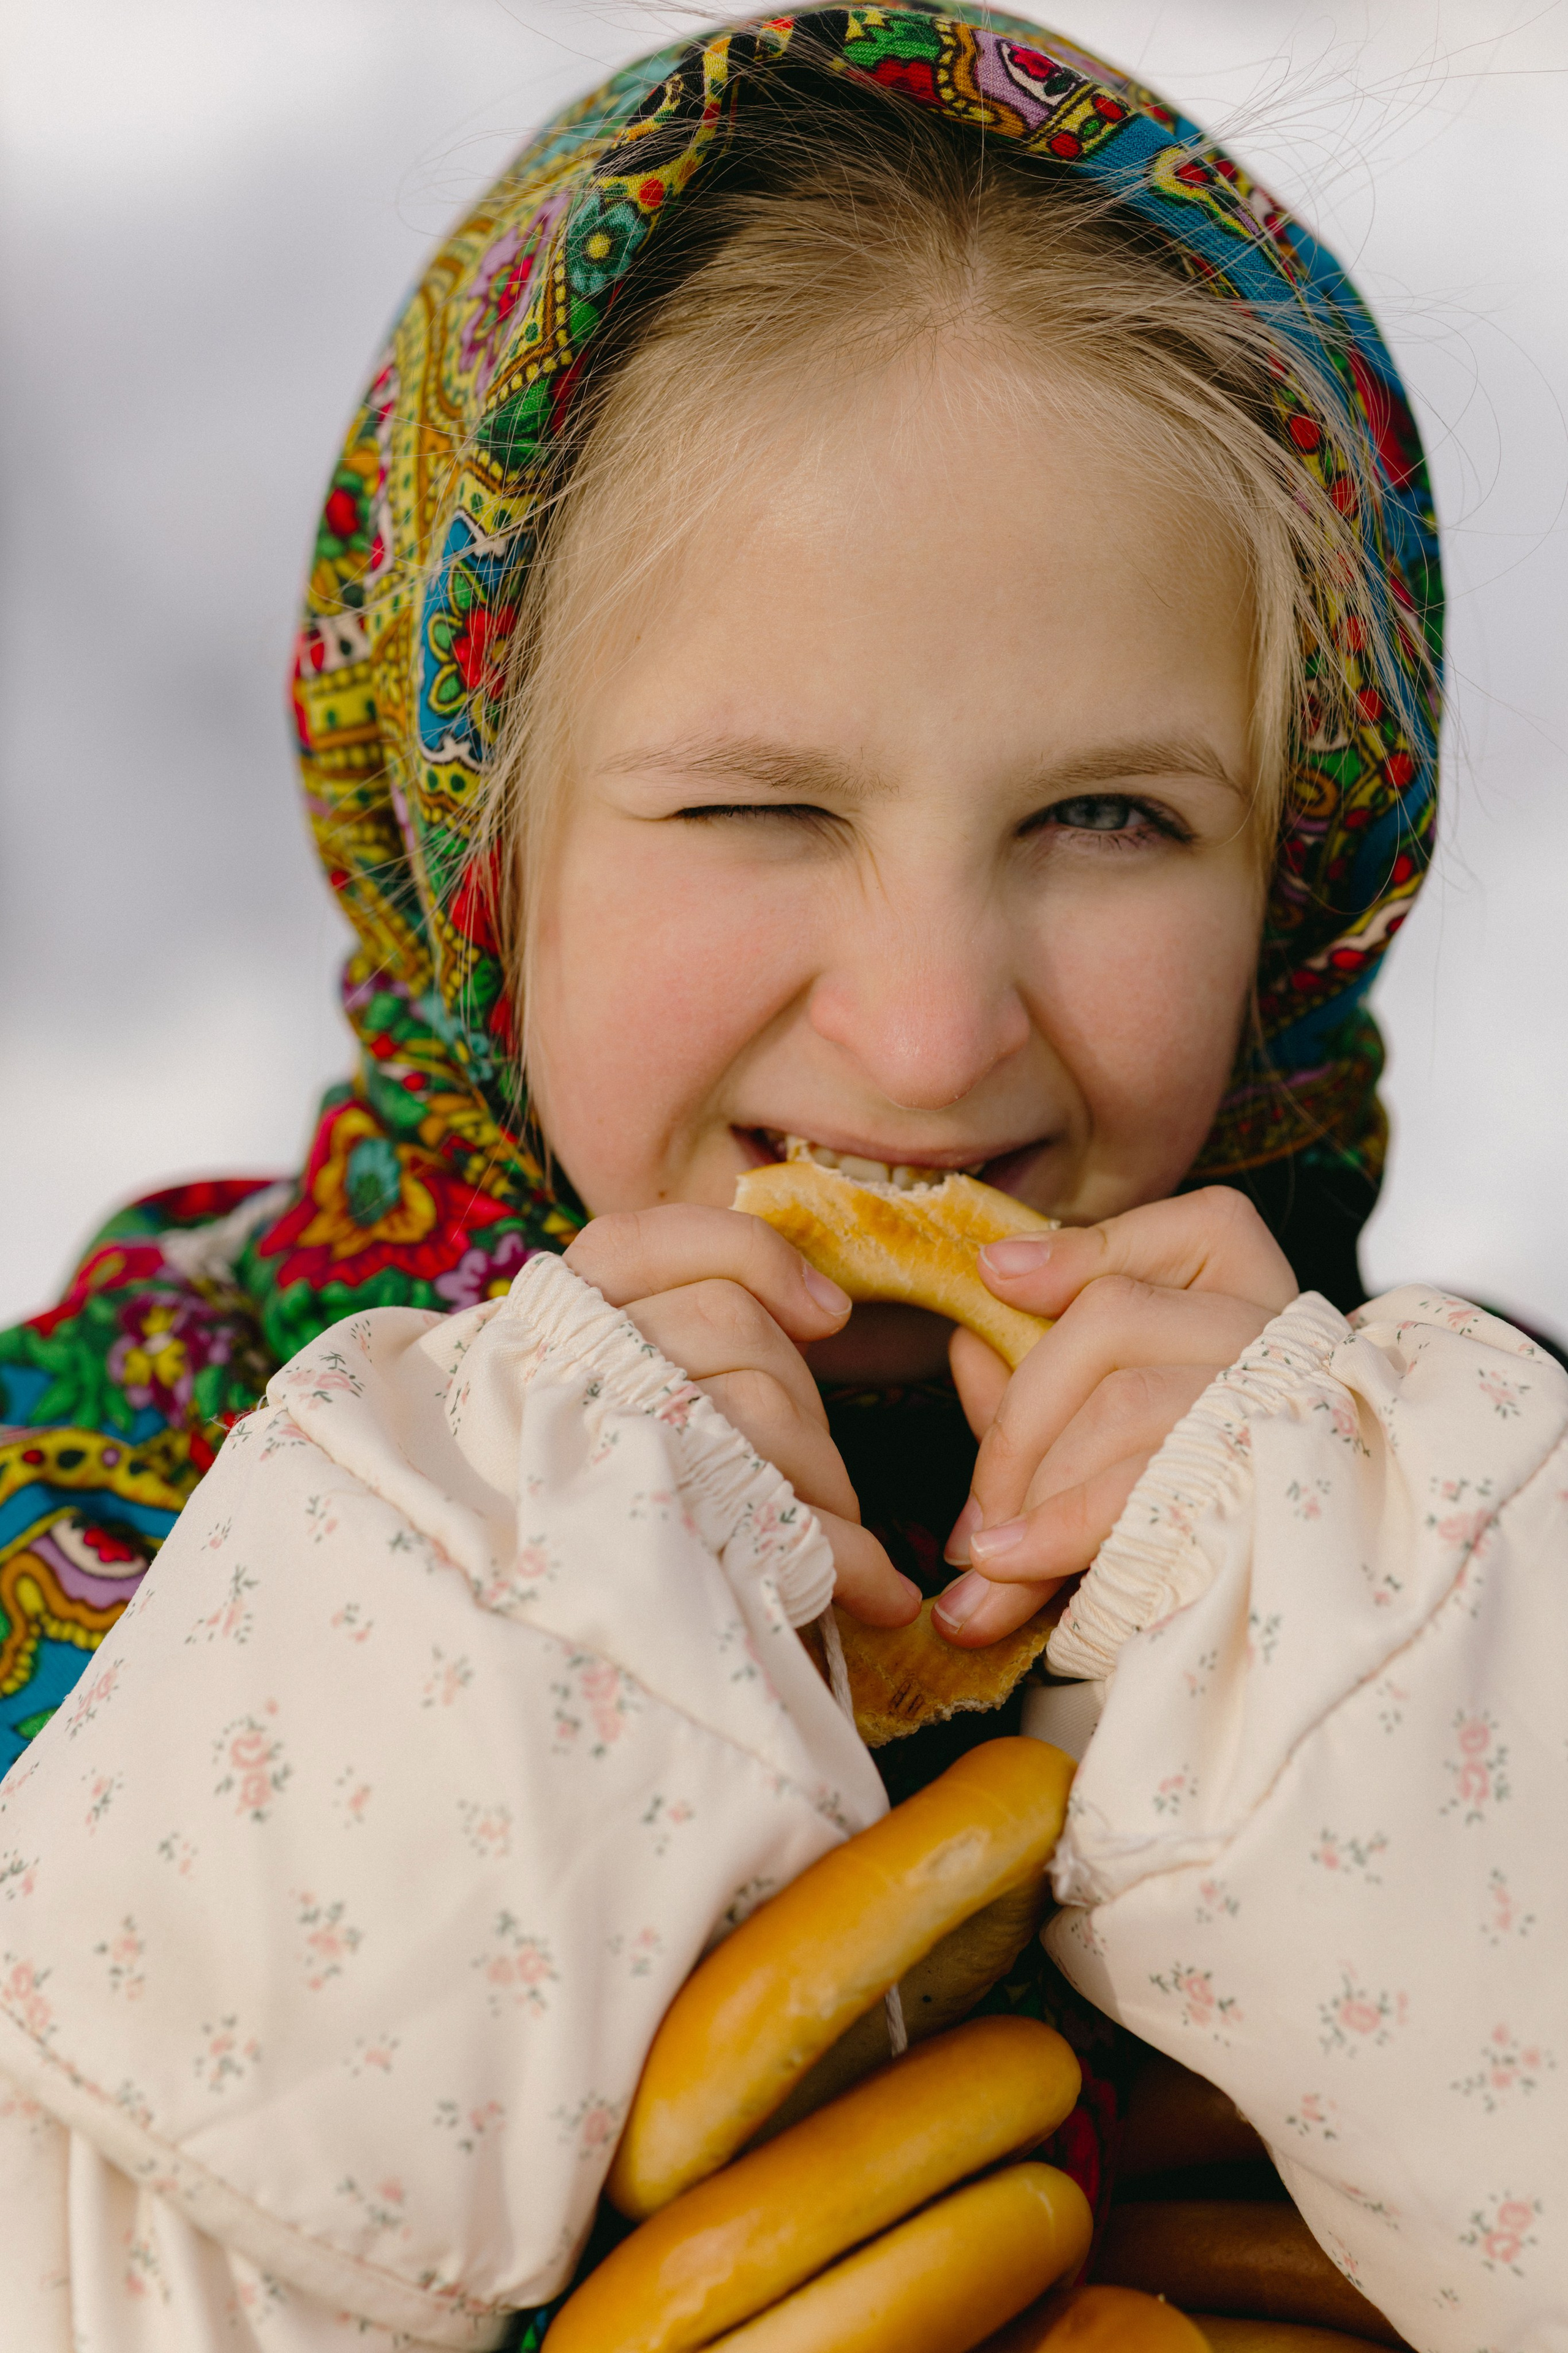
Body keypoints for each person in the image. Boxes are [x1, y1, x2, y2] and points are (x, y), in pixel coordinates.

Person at [0, 9, 1561, 2348]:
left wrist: (1388, 1676)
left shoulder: (1487, 1537)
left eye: (1111, 817)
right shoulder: (117, 1503)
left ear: (1301, 871)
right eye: (756, 811)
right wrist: (478, 1645)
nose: (933, 1033)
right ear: (477, 849)